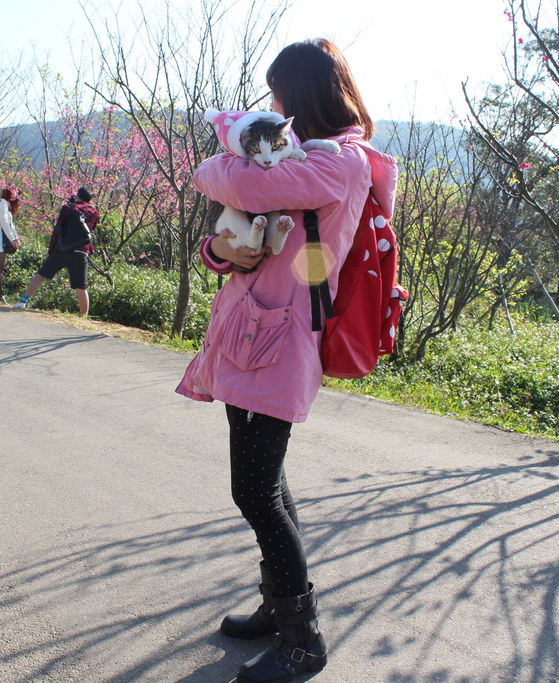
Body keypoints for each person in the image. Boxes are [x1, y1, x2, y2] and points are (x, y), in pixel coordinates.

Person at [176, 39, 398, 683]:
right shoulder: (299, 158)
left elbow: (222, 176)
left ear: (300, 95)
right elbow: (236, 221)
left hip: (284, 337)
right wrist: (224, 253)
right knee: (265, 484)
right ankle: (279, 609)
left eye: (278, 92)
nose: (272, 106)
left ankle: (304, 638)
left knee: (254, 489)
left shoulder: (340, 163)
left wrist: (224, 158)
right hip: (249, 329)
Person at [13, 187, 99, 314]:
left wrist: (50, 251)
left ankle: (23, 302)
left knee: (41, 274)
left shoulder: (68, 208)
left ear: (78, 195)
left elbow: (57, 230)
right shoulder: (94, 212)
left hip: (63, 250)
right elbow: (90, 230)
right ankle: (83, 316)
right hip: (82, 252)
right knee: (81, 287)